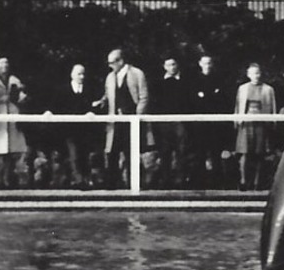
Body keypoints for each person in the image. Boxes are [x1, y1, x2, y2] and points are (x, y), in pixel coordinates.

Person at [103, 48, 149, 188]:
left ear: (121, 61)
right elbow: (108, 95)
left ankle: (134, 185)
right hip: (115, 122)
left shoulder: (136, 73)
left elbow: (143, 97)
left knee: (131, 154)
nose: (110, 66)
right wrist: (102, 102)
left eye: (112, 62)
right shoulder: (110, 77)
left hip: (131, 121)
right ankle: (112, 186)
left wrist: (137, 116)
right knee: (112, 153)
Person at [50, 63, 99, 189]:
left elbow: (93, 106)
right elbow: (56, 106)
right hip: (69, 130)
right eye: (79, 74)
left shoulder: (89, 90)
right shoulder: (63, 90)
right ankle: (79, 180)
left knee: (84, 155)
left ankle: (86, 179)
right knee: (74, 155)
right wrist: (49, 112)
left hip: (84, 130)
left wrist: (92, 111)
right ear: (72, 75)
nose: (82, 77)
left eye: (83, 74)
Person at [150, 56, 192, 189]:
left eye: (174, 64)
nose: (172, 67)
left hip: (181, 122)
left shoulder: (186, 82)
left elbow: (190, 102)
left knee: (182, 151)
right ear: (164, 66)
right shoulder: (158, 84)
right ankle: (166, 180)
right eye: (168, 65)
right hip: (164, 123)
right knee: (165, 151)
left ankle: (181, 180)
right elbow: (154, 104)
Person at [234, 63, 277, 191]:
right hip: (246, 122)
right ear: (248, 75)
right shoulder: (242, 88)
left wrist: (272, 122)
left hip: (261, 123)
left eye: (257, 73)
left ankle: (257, 182)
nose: (255, 76)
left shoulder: (268, 89)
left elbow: (273, 107)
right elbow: (237, 106)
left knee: (260, 154)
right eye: (253, 73)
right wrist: (237, 121)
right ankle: (243, 181)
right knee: (245, 153)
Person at [190, 54, 230, 188]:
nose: (207, 65)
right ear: (200, 64)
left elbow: (221, 101)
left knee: (215, 153)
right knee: (200, 153)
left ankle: (218, 183)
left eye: (209, 63)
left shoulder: (218, 80)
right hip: (200, 124)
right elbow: (194, 101)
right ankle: (199, 183)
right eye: (205, 63)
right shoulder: (194, 80)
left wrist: (208, 96)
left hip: (215, 125)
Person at [0, 56, 28, 189]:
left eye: (6, 63)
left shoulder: (14, 80)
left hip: (11, 113)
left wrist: (20, 96)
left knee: (10, 150)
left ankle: (6, 178)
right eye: (1, 63)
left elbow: (20, 95)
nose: (4, 66)